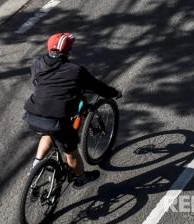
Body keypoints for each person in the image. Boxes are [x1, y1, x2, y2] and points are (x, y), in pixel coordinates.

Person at [23, 32, 121, 189]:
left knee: (48, 131)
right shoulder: (75, 70)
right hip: (56, 119)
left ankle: (36, 165)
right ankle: (81, 178)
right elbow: (98, 87)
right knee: (70, 151)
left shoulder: (37, 63)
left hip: (33, 114)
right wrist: (114, 93)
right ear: (68, 51)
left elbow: (36, 81)